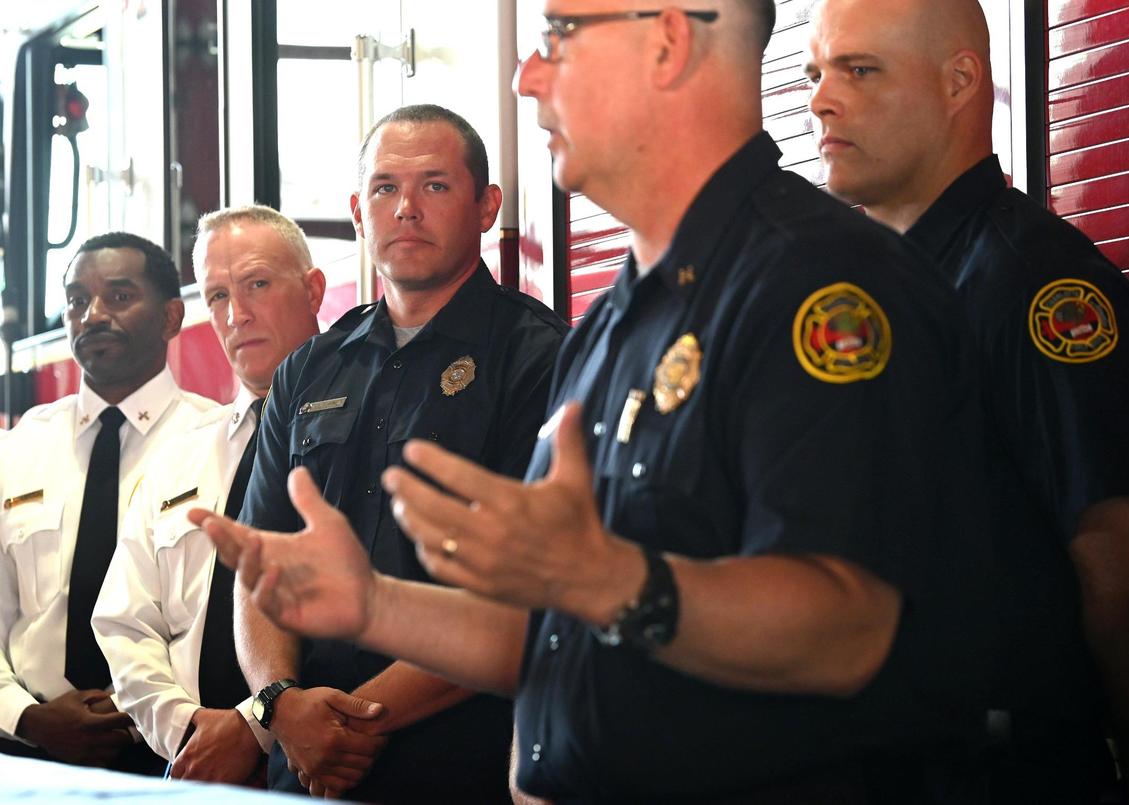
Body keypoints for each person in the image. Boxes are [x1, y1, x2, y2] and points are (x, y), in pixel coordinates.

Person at [194, 1, 998, 801]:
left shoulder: (818, 287)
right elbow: (549, 629)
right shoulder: (616, 319)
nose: (525, 74)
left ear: (667, 42)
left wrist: (610, 577)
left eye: (558, 37)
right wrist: (375, 606)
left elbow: (849, 628)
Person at [805, 1, 1129, 801]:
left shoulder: (1033, 285)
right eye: (816, 72)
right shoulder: (860, 296)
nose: (820, 99)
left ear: (960, 82)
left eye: (858, 69)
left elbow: (1120, 565)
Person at [236, 104, 567, 802]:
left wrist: (350, 727)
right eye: (385, 188)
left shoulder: (540, 358)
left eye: (435, 186)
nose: (406, 208)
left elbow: (526, 594)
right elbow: (258, 562)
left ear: (487, 206)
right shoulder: (306, 371)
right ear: (358, 211)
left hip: (453, 766)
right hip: (297, 768)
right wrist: (280, 704)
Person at [90, 206, 384, 786]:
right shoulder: (179, 453)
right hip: (188, 765)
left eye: (257, 285)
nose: (237, 315)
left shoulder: (366, 435)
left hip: (324, 763)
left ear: (314, 289)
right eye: (218, 296)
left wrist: (254, 726)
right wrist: (191, 731)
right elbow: (125, 622)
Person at [0, 232, 218, 773]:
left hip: (171, 755)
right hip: (29, 750)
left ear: (171, 317)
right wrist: (27, 717)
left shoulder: (217, 441)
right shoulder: (20, 446)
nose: (92, 315)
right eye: (77, 300)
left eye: (119, 297)